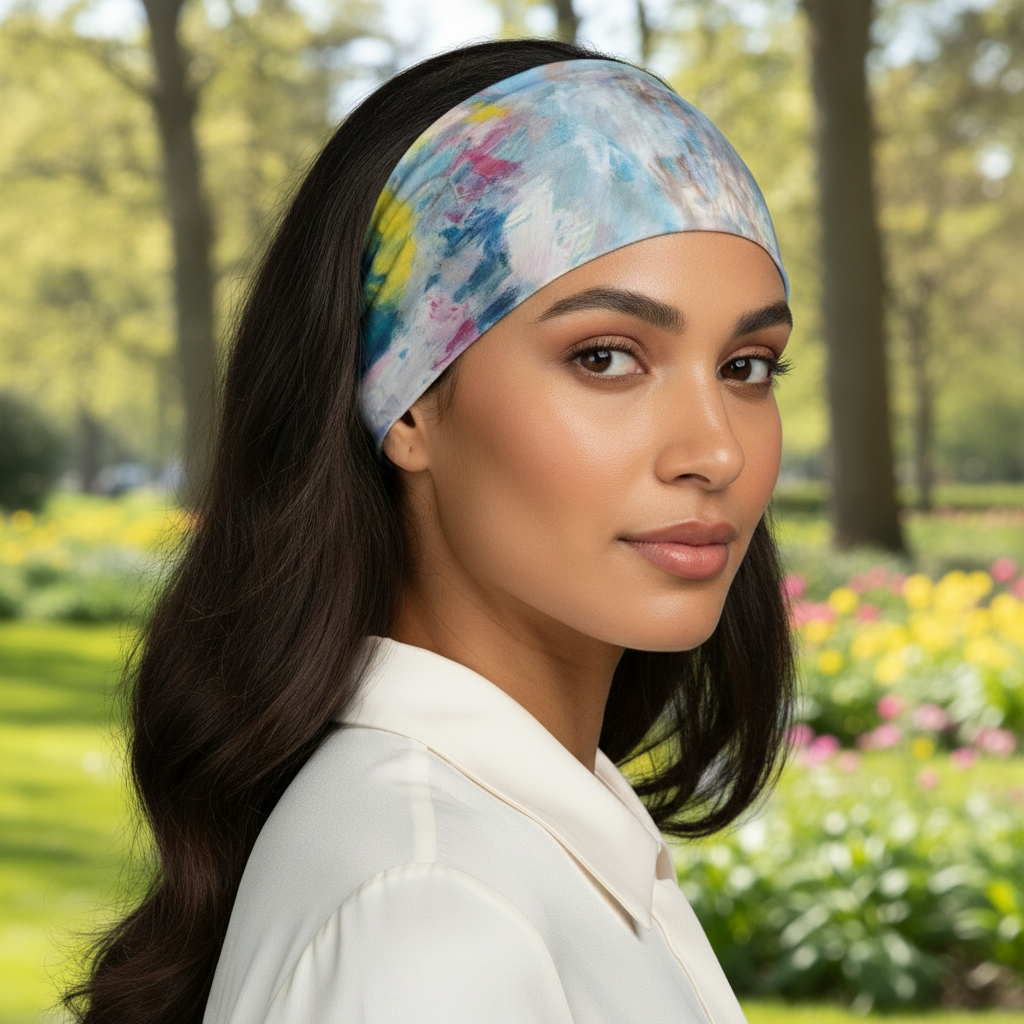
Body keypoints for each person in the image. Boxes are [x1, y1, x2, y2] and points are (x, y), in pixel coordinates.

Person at [65, 37, 795, 1024]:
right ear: (407, 401)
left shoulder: (507, 832)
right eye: (608, 356)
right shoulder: (435, 913)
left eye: (747, 365)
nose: (715, 450)